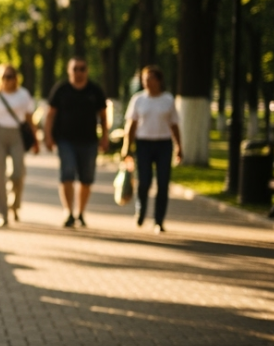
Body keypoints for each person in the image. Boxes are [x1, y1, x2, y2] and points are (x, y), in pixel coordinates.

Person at [43, 57, 109, 228]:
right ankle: (68, 212)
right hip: (65, 140)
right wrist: (48, 136)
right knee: (67, 173)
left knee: (86, 179)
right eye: (75, 69)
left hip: (89, 142)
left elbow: (103, 115)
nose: (79, 72)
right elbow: (50, 114)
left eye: (82, 69)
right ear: (69, 71)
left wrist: (105, 137)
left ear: (87, 70)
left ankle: (80, 212)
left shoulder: (94, 90)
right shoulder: (62, 89)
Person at [122, 65, 183, 233]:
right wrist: (126, 147)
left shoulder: (168, 100)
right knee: (144, 182)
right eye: (144, 79)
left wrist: (179, 146)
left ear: (159, 80)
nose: (146, 82)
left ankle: (159, 220)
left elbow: (174, 125)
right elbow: (131, 125)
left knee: (163, 183)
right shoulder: (138, 99)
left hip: (164, 145)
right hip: (143, 145)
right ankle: (141, 211)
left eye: (150, 79)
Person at [0, 64, 39, 227]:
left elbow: (29, 119)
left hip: (16, 134)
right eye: (4, 76)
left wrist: (36, 141)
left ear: (16, 78)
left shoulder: (23, 94)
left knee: (18, 172)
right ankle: (2, 212)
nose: (8, 80)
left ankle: (14, 204)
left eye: (11, 76)